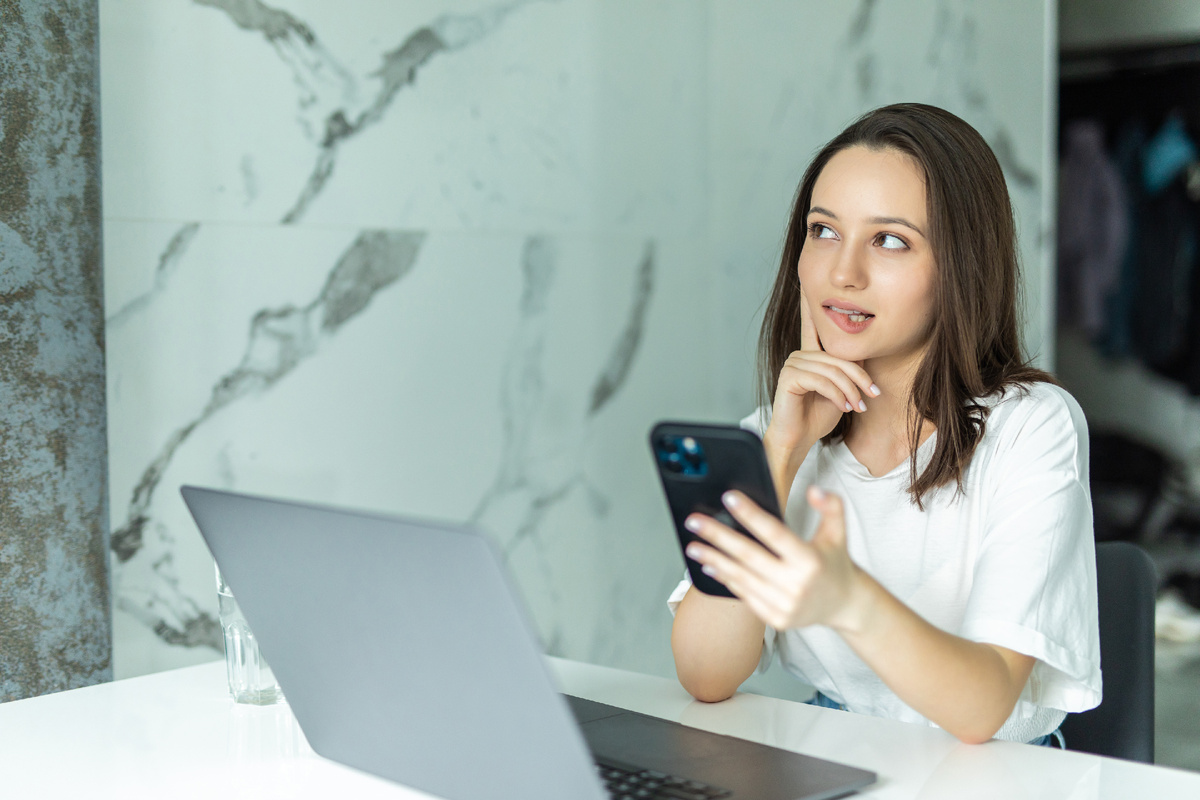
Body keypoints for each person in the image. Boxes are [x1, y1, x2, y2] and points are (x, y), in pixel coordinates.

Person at [668, 103, 1101, 745]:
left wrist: (850, 601)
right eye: (823, 230)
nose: (843, 273)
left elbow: (983, 711)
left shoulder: (1031, 427)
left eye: (890, 240)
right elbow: (706, 674)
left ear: (960, 265)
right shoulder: (776, 430)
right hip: (831, 756)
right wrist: (779, 453)